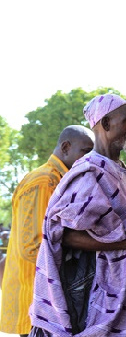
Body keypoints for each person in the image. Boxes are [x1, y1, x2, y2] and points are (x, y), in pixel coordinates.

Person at [29, 94, 126, 336]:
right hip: (94, 287)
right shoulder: (89, 172)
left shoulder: (119, 169)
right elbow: (65, 236)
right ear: (106, 124)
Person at [0, 125, 94, 336]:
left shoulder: (62, 179)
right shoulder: (45, 181)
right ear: (66, 147)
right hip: (35, 301)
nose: (90, 160)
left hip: (46, 302)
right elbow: (33, 247)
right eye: (85, 152)